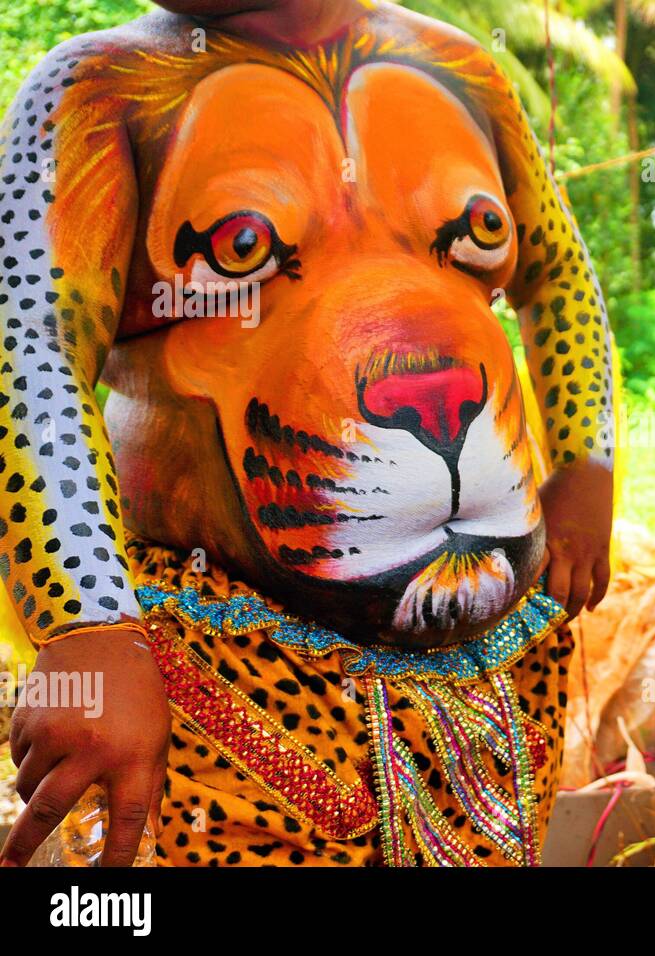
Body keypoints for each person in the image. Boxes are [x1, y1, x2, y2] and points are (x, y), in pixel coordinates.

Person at [0, 0, 613, 866]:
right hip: (222, 683)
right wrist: (85, 621)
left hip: (500, 672)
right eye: (240, 244)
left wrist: (588, 463)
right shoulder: (98, 87)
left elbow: (561, 281)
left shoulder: (463, 65)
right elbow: (31, 347)